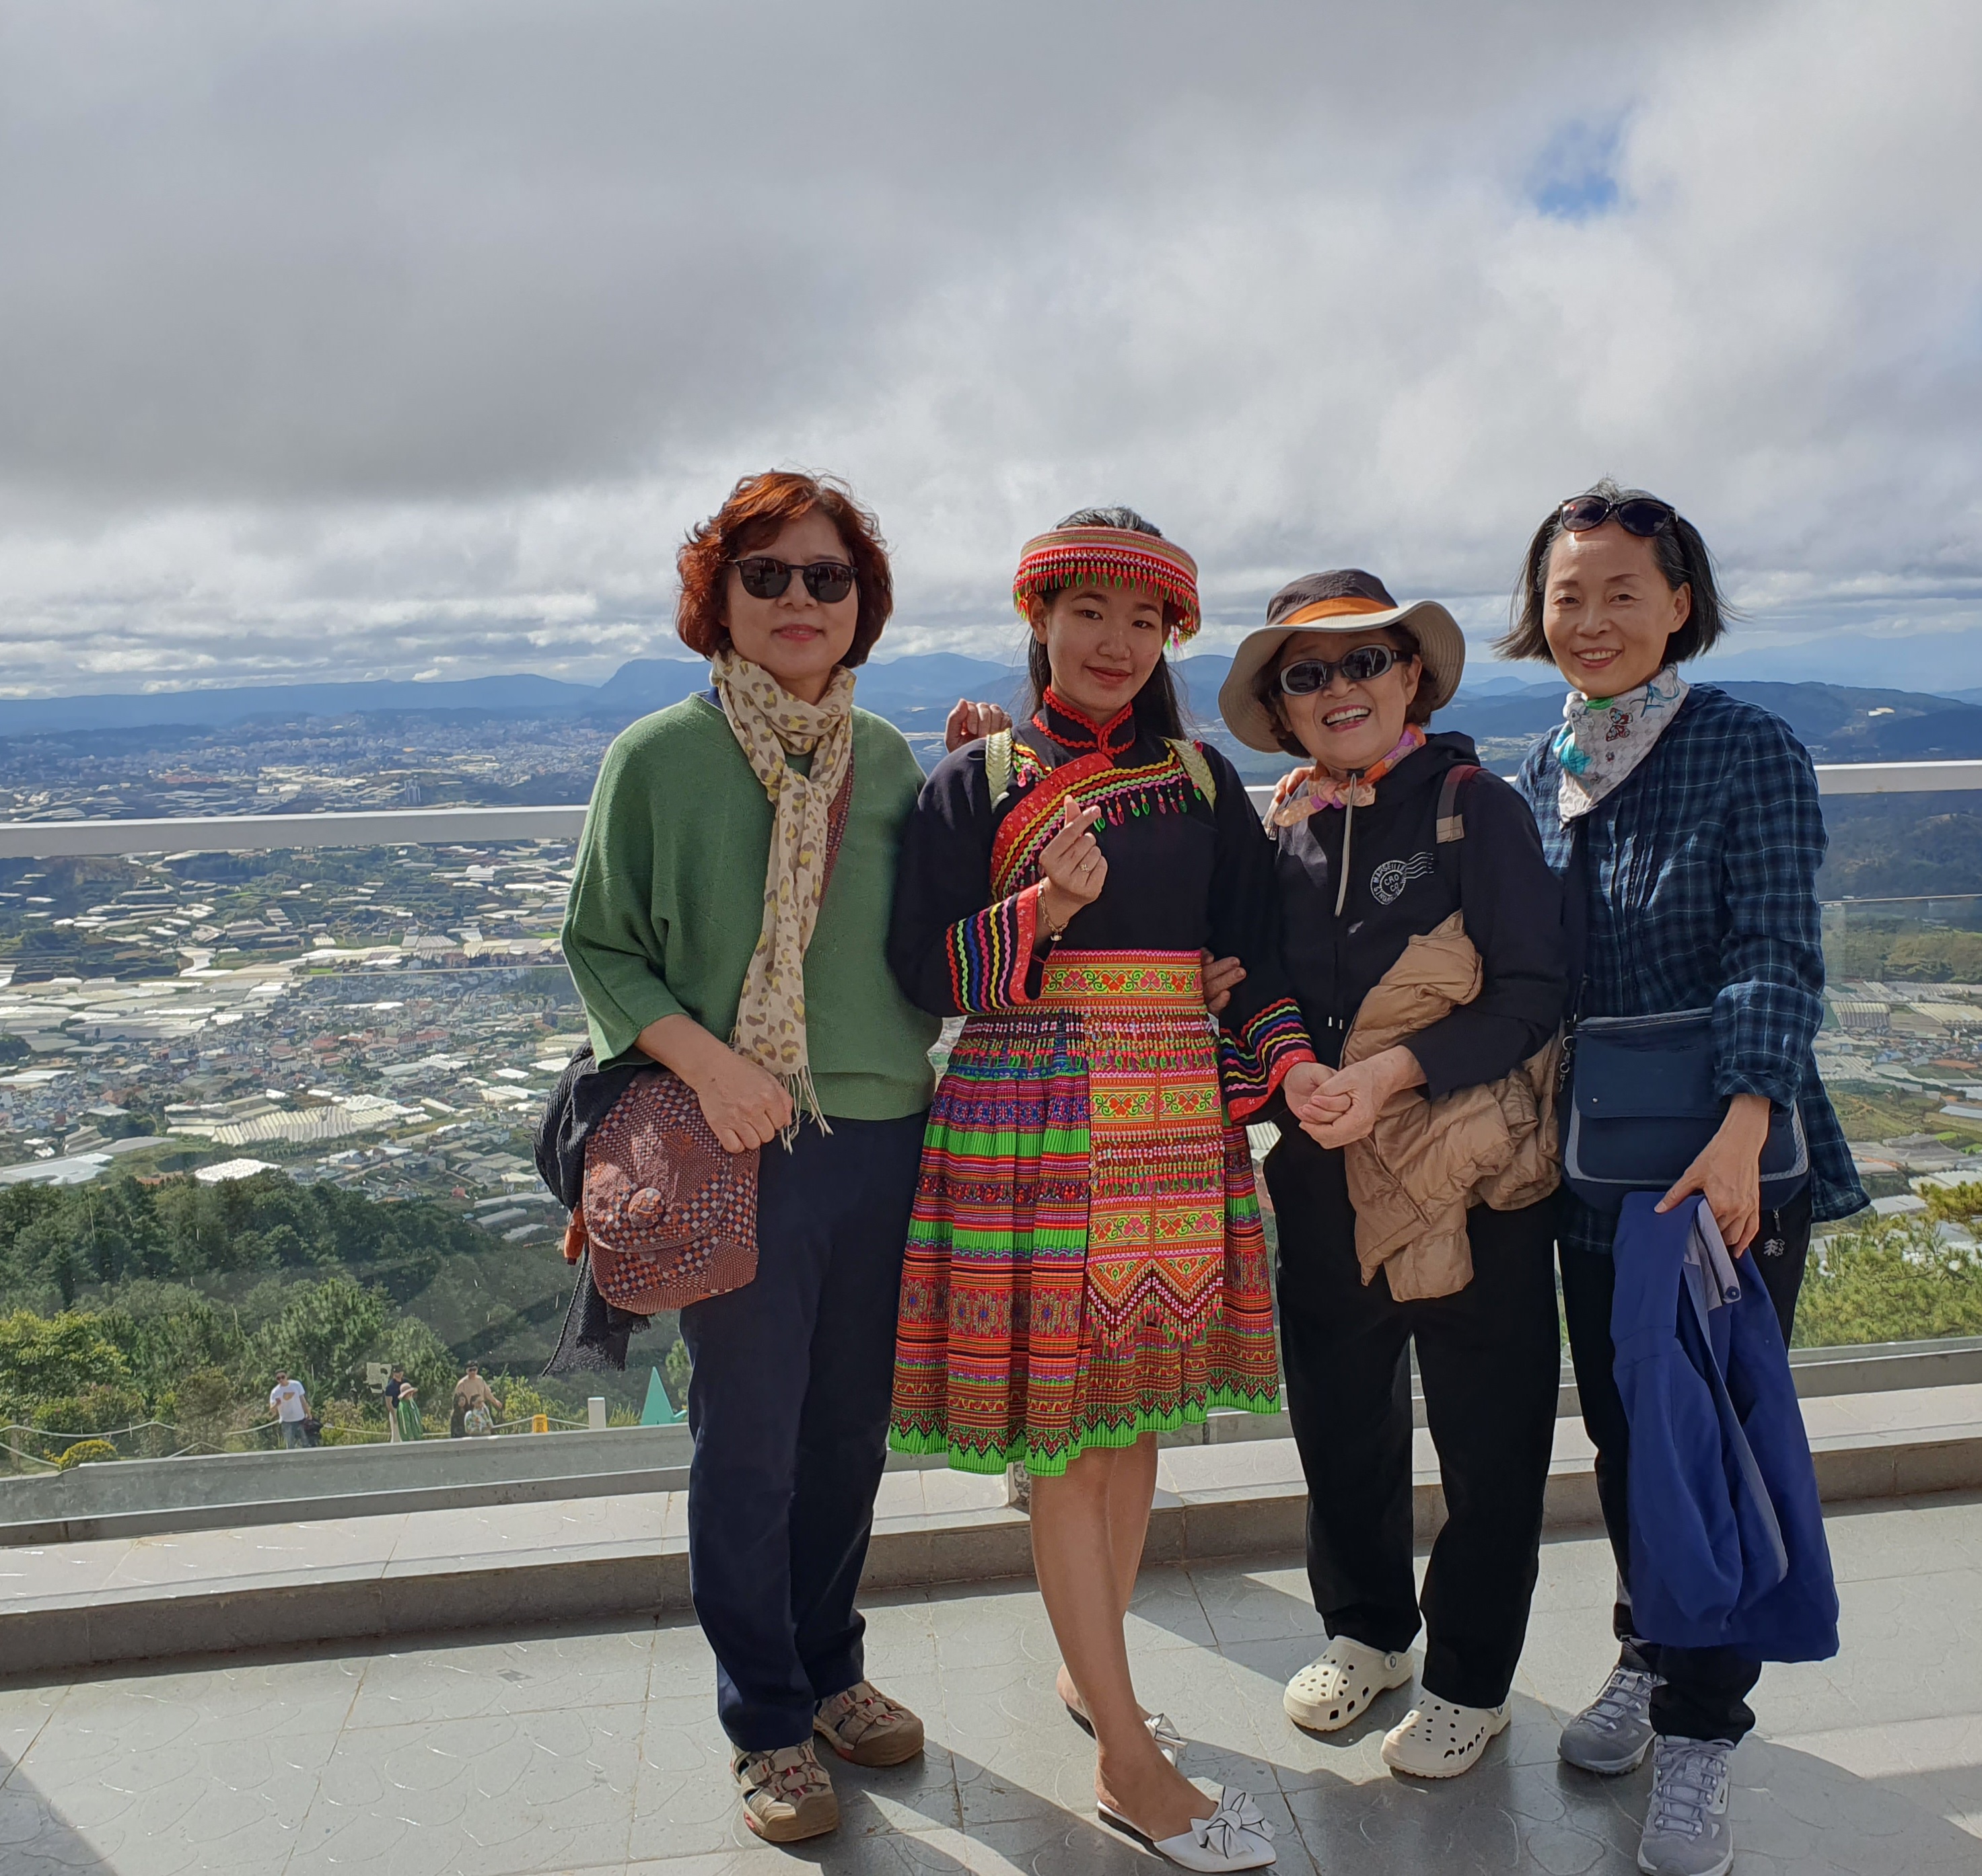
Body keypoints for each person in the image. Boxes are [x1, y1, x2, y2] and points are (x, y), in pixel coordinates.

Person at [561, 470, 1008, 1847]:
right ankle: (764, 1715)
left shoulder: (889, 760)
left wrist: (987, 787)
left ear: (863, 601)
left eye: (828, 575)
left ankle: (829, 1667)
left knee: (847, 1430)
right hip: (732, 1142)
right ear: (719, 597)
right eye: (767, 574)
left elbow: (945, 934)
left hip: (886, 1137)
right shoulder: (656, 757)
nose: (799, 598)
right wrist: (713, 1066)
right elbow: (599, 944)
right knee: (747, 1441)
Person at [889, 507, 1329, 1873]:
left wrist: (1280, 1058)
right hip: (1033, 1117)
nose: (1116, 643)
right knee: (1074, 1440)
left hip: (1173, 1122)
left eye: (1144, 621)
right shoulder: (975, 780)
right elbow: (917, 967)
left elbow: (1250, 951)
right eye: (1089, 611)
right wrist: (1041, 915)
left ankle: (1097, 1673)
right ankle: (1126, 1759)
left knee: (1130, 1424)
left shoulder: (1199, 780)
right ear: (1040, 618)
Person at [1506, 482, 1867, 1876]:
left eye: (1621, 590)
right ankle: (1652, 1647)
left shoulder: (1743, 746)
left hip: (1723, 1157)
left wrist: (1743, 1117)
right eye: (1567, 594)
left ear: (1678, 602)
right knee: (1623, 1429)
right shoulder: (1539, 769)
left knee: (1705, 1437)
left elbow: (1775, 946)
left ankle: (1704, 1730)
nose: (1591, 618)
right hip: (1595, 1156)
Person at [1217, 570, 1568, 1781]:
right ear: (1283, 706)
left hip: (1472, 1175)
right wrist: (1292, 1068)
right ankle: (1367, 1629)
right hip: (1324, 1170)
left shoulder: (1475, 807)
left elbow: (1531, 994)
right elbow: (1256, 980)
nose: (1339, 687)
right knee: (1340, 1414)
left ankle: (1472, 1678)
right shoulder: (1286, 828)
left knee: (1488, 1432)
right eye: (1306, 673)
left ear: (1411, 674)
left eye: (1364, 659)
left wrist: (1391, 1074)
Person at [450, 1363, 499, 1438]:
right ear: (467, 1371)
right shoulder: (462, 1384)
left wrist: (495, 1401)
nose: (473, 1372)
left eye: (474, 1370)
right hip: (468, 1410)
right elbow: (457, 1400)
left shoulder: (480, 1380)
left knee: (490, 1428)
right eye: (471, 1370)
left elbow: (487, 1393)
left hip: (482, 1408)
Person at [269, 1371, 312, 1449]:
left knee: (305, 1443)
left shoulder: (296, 1385)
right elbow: (272, 1408)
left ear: (287, 1376)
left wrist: (308, 1413)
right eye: (278, 1378)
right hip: (286, 1421)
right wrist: (277, 1404)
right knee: (290, 1445)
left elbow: (303, 1401)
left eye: (283, 1377)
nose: (281, 1380)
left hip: (300, 1419)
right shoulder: (275, 1392)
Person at [384, 1365, 423, 1442]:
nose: (400, 1373)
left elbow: (411, 1394)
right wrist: (394, 1416)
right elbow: (389, 1403)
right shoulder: (390, 1386)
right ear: (394, 1373)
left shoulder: (406, 1382)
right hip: (396, 1409)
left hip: (408, 1407)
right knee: (396, 1434)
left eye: (401, 1371)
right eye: (398, 1372)